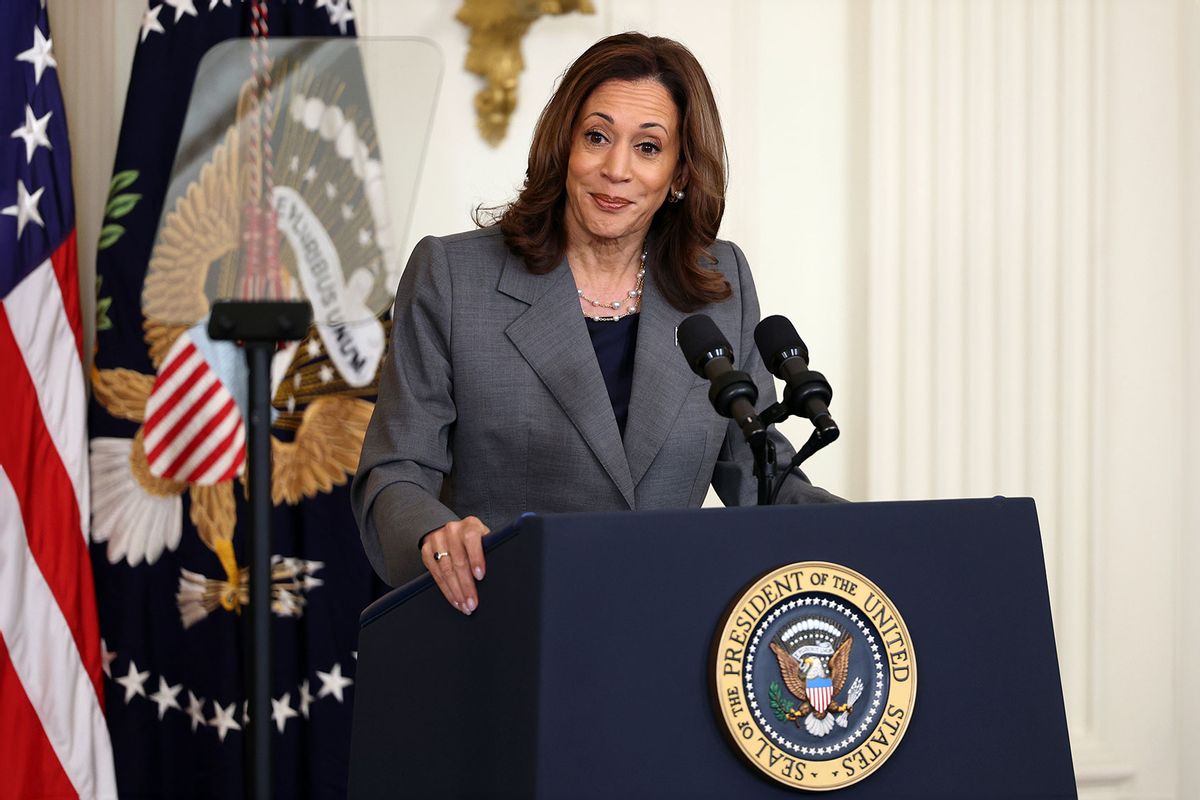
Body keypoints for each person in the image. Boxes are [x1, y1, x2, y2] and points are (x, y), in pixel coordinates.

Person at [351, 32, 840, 614]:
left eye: (648, 148)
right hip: (504, 624)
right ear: (564, 148)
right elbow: (395, 472)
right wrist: (435, 535)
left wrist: (866, 533)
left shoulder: (718, 284)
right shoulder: (454, 277)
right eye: (597, 137)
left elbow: (756, 465)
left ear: (680, 173)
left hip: (670, 634)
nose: (616, 169)